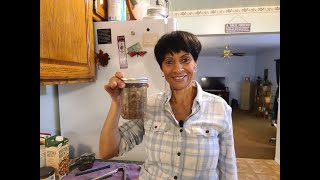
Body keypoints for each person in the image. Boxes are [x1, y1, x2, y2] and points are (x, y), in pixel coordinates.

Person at [99, 30, 238, 179]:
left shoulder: (219, 107)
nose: (178, 68)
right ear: (162, 69)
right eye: (169, 62)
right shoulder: (149, 105)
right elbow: (107, 151)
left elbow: (227, 165)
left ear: (195, 63)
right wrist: (117, 102)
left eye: (185, 59)